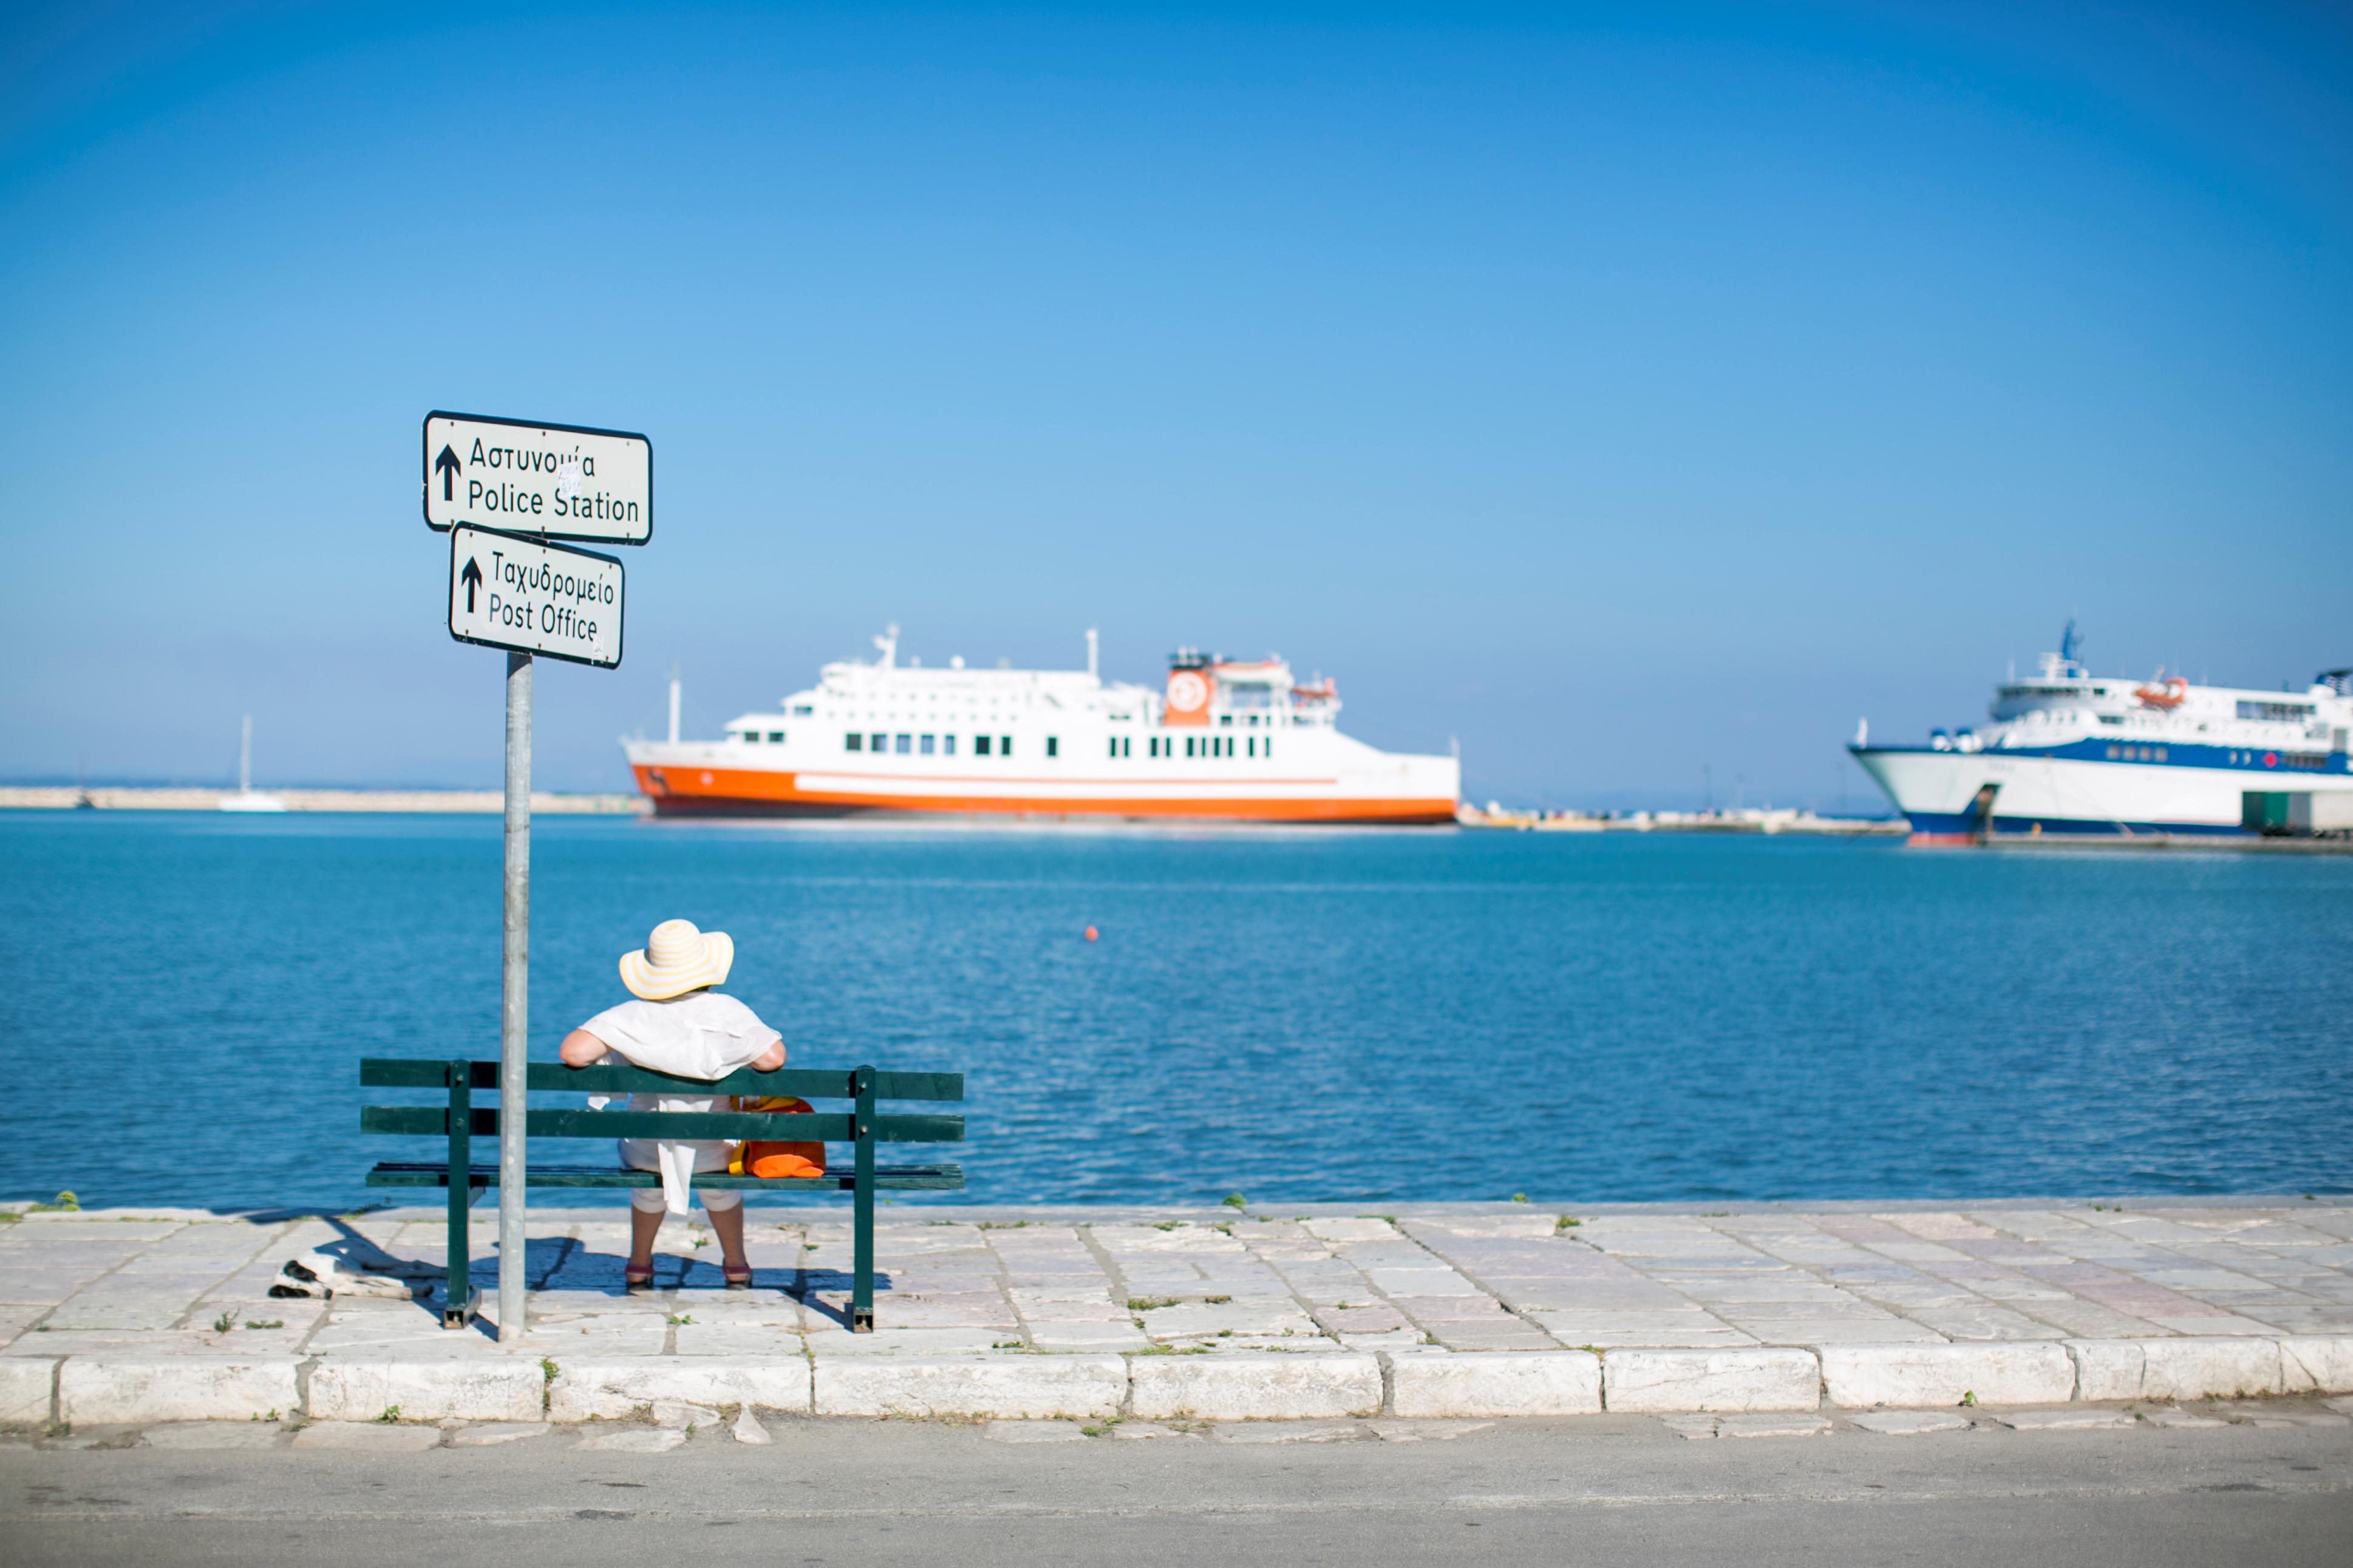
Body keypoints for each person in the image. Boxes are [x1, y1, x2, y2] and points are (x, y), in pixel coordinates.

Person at [559, 918, 784, 1291]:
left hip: (645, 1148)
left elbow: (574, 1052)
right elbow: (773, 1058)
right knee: (719, 1173)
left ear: (653, 973)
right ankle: (736, 1265)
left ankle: (639, 1265)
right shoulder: (727, 1010)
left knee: (649, 1169)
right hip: (712, 1150)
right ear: (706, 967)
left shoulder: (631, 1015)